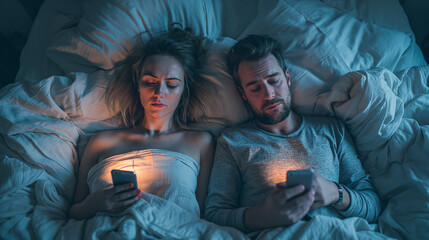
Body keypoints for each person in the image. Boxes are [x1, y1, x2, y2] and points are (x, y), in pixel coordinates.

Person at [204, 34, 381, 233]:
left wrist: (336, 193)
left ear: (287, 77)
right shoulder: (232, 141)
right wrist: (262, 216)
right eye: (255, 88)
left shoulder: (331, 129)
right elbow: (214, 215)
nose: (269, 95)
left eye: (274, 80)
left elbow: (373, 207)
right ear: (242, 94)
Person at [68, 26, 216, 220]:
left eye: (171, 85)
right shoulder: (101, 142)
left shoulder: (201, 143)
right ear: (137, 84)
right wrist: (93, 204)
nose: (159, 93)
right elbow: (73, 212)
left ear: (184, 91)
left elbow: (203, 217)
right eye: (149, 82)